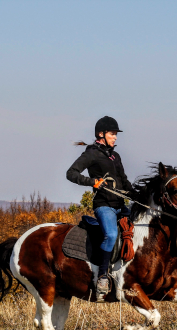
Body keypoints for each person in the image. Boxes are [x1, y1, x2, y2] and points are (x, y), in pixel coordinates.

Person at [66, 116, 134, 302]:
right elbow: (71, 174)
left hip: (121, 206)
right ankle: (102, 276)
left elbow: (124, 181)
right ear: (101, 134)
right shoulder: (91, 154)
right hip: (104, 205)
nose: (116, 137)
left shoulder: (115, 156)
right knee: (111, 235)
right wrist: (92, 182)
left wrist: (137, 195)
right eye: (113, 134)